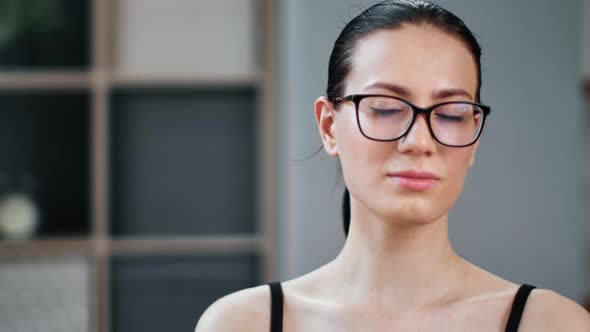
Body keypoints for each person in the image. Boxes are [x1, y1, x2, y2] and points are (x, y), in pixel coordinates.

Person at [195, 1, 590, 331]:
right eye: (385, 108)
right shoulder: (243, 323)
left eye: (451, 114)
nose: (419, 141)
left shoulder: (552, 323)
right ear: (329, 126)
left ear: (475, 136)